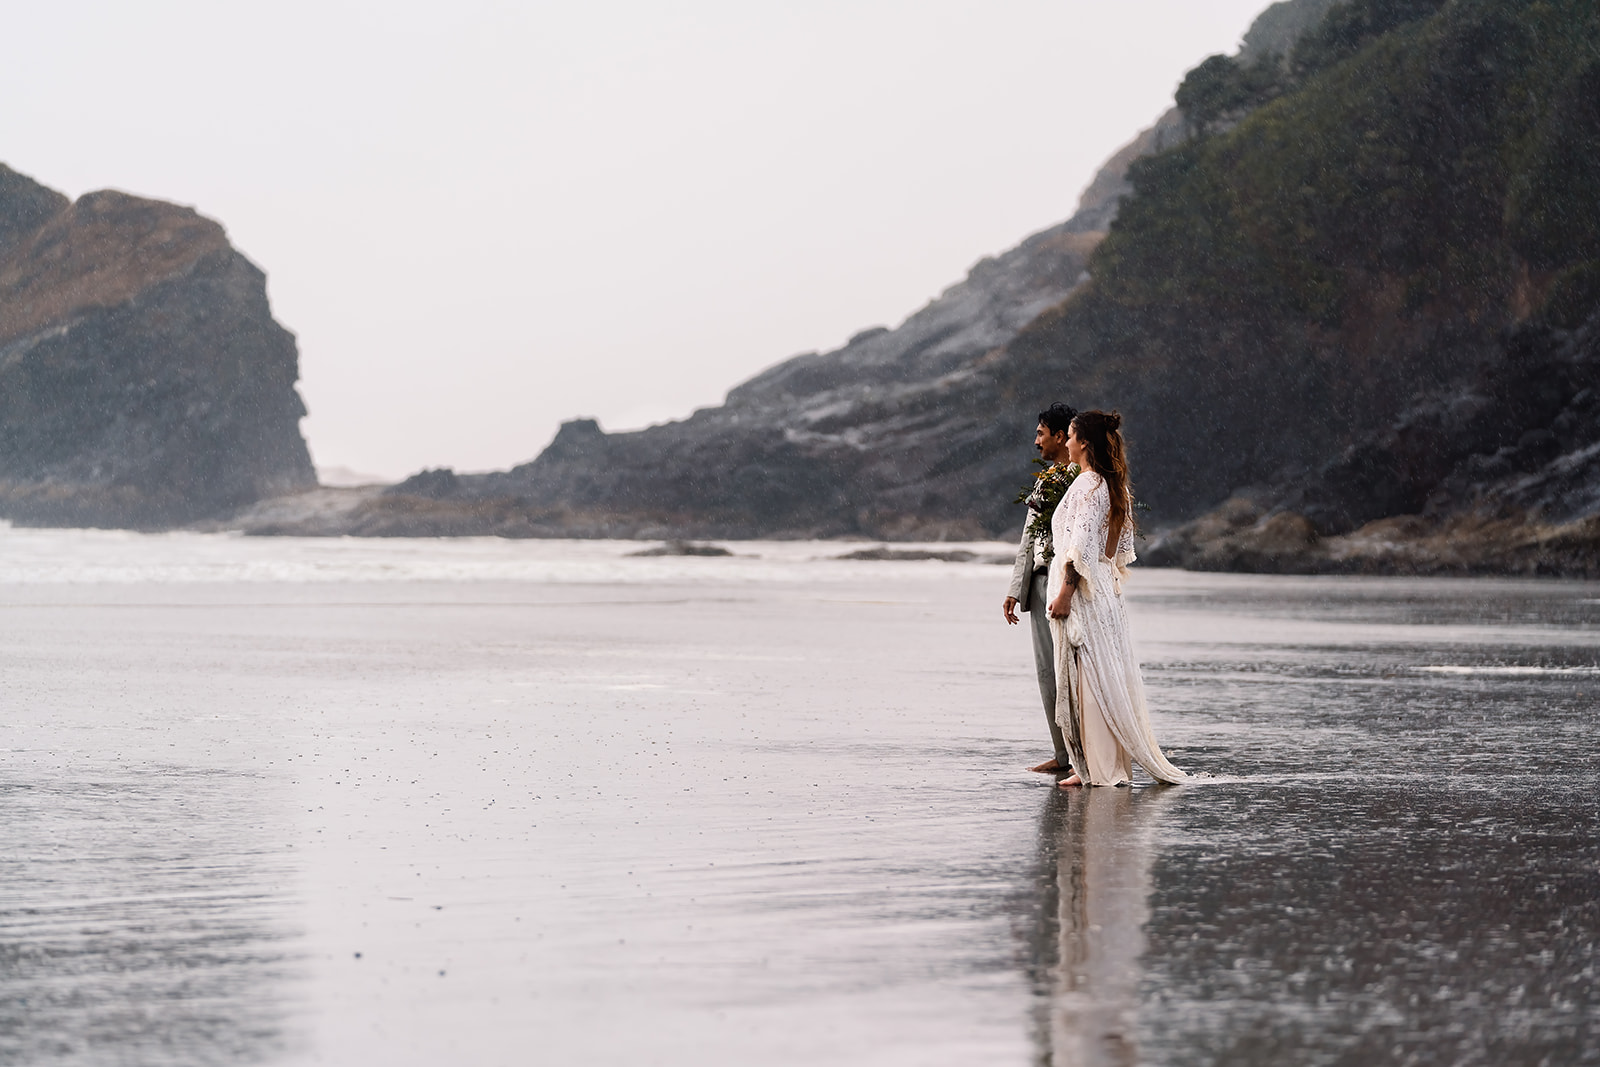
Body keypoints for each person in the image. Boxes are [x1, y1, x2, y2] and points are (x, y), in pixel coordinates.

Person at [1046, 410, 1186, 787]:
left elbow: (1082, 547)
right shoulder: (1112, 486)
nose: (1068, 443)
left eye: (1072, 436)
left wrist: (1065, 591)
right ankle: (1097, 764)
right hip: (1104, 588)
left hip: (1086, 592)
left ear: (1084, 442)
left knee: (1090, 677)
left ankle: (1100, 767)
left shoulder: (1089, 486)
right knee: (1104, 674)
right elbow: (1110, 550)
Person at [1004, 403, 1079, 774]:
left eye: (1040, 433)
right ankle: (1063, 755)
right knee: (1046, 673)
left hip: (1065, 586)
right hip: (1037, 584)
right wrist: (1015, 589)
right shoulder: (1045, 479)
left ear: (1060, 436)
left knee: (1070, 673)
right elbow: (1028, 538)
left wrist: (1067, 587)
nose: (1036, 441)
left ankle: (1080, 756)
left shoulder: (1080, 479)